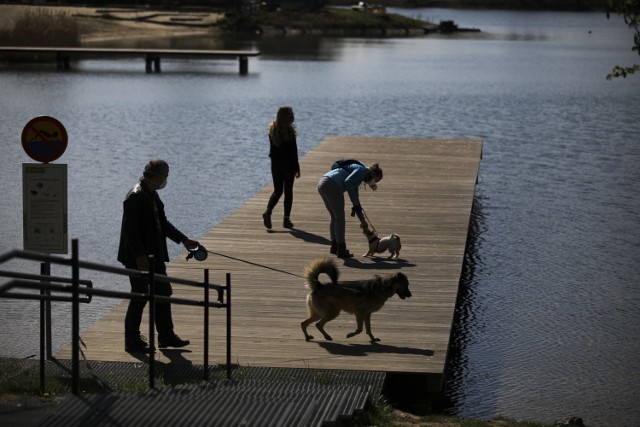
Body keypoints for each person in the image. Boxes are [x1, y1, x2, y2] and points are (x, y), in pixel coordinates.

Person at [117, 159, 199, 353]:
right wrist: (139, 256)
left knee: (163, 293)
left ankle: (166, 336)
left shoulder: (152, 194)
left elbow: (163, 224)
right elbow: (130, 231)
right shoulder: (136, 196)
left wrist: (184, 240)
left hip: (156, 255)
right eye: (165, 175)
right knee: (140, 296)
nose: (166, 180)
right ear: (156, 175)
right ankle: (131, 340)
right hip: (138, 257)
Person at [317, 160, 383, 258]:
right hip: (332, 185)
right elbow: (348, 182)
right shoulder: (362, 170)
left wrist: (362, 220)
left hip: (323, 183)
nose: (372, 183)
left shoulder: (359, 176)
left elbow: (356, 202)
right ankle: (341, 249)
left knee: (334, 217)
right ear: (373, 173)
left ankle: (334, 246)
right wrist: (354, 200)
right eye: (375, 180)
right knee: (340, 218)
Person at [262, 105, 300, 230]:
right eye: (291, 114)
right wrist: (297, 167)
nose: (293, 116)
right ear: (287, 117)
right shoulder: (290, 131)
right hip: (288, 165)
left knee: (277, 191)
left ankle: (268, 212)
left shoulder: (272, 129)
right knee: (288, 192)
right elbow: (294, 151)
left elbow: (274, 150)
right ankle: (286, 220)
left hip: (276, 165)